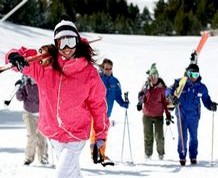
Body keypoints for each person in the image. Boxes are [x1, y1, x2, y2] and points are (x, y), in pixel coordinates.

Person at [6, 16, 109, 178]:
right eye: (62, 42)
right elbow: (22, 59)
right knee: (71, 173)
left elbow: (98, 106)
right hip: (54, 134)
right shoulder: (45, 67)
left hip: (76, 134)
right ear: (56, 43)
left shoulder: (89, 73)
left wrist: (100, 135)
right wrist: (14, 57)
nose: (67, 48)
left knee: (62, 174)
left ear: (77, 42)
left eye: (71, 41)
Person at [166, 63, 217, 166]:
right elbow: (168, 90)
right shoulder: (180, 82)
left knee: (194, 137)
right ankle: (182, 156)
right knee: (183, 137)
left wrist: (211, 105)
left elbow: (206, 100)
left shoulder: (201, 87)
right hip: (182, 114)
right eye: (191, 74)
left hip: (194, 116)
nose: (194, 77)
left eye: (196, 75)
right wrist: (171, 97)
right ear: (187, 73)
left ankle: (193, 156)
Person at [90, 58, 129, 165]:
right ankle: (94, 154)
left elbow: (117, 96)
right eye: (106, 68)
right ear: (102, 68)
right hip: (96, 111)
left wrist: (123, 103)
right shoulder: (97, 78)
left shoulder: (115, 82)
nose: (108, 71)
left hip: (107, 113)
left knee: (104, 134)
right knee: (95, 132)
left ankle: (101, 154)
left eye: (110, 69)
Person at [137, 63, 171, 160]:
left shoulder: (162, 88)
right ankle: (148, 154)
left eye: (155, 76)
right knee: (148, 136)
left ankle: (161, 154)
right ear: (149, 76)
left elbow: (166, 102)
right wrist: (140, 103)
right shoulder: (146, 86)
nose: (154, 78)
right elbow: (141, 97)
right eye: (152, 76)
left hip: (158, 116)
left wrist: (168, 115)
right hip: (147, 116)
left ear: (158, 76)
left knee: (159, 137)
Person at [15, 75, 48, 165]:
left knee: (42, 136)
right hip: (28, 113)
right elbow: (20, 98)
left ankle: (43, 156)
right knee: (32, 135)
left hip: (42, 113)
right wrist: (19, 88)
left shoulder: (43, 80)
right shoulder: (26, 82)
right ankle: (29, 157)